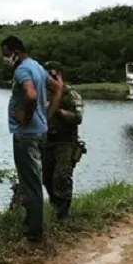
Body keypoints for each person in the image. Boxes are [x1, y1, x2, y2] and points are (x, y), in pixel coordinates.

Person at [0, 36, 63, 243]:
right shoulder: (36, 66)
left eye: (6, 53)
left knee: (31, 184)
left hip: (26, 135)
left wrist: (26, 118)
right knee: (34, 181)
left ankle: (33, 233)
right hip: (40, 133)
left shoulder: (22, 70)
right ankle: (32, 226)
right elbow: (58, 88)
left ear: (15, 52)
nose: (4, 58)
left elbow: (31, 95)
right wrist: (48, 117)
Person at [42, 61, 86, 222]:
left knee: (61, 176)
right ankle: (56, 206)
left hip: (66, 142)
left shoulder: (71, 94)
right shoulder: (42, 92)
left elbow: (77, 118)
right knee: (46, 177)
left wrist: (57, 110)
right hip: (47, 141)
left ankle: (63, 214)